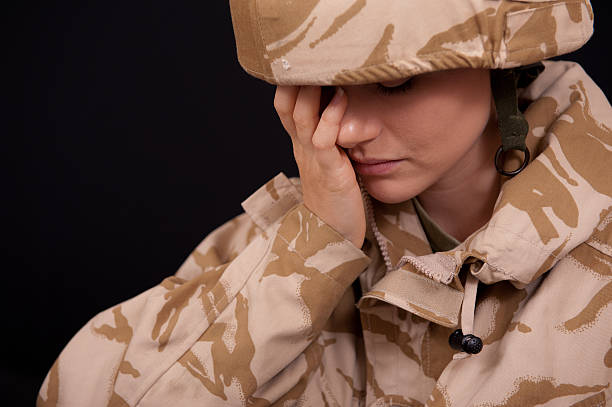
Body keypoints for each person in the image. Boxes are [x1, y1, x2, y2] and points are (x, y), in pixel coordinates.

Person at [38, 0, 612, 405]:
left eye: (394, 84)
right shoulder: (287, 246)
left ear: (502, 68)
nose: (347, 128)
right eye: (325, 88)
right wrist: (313, 250)